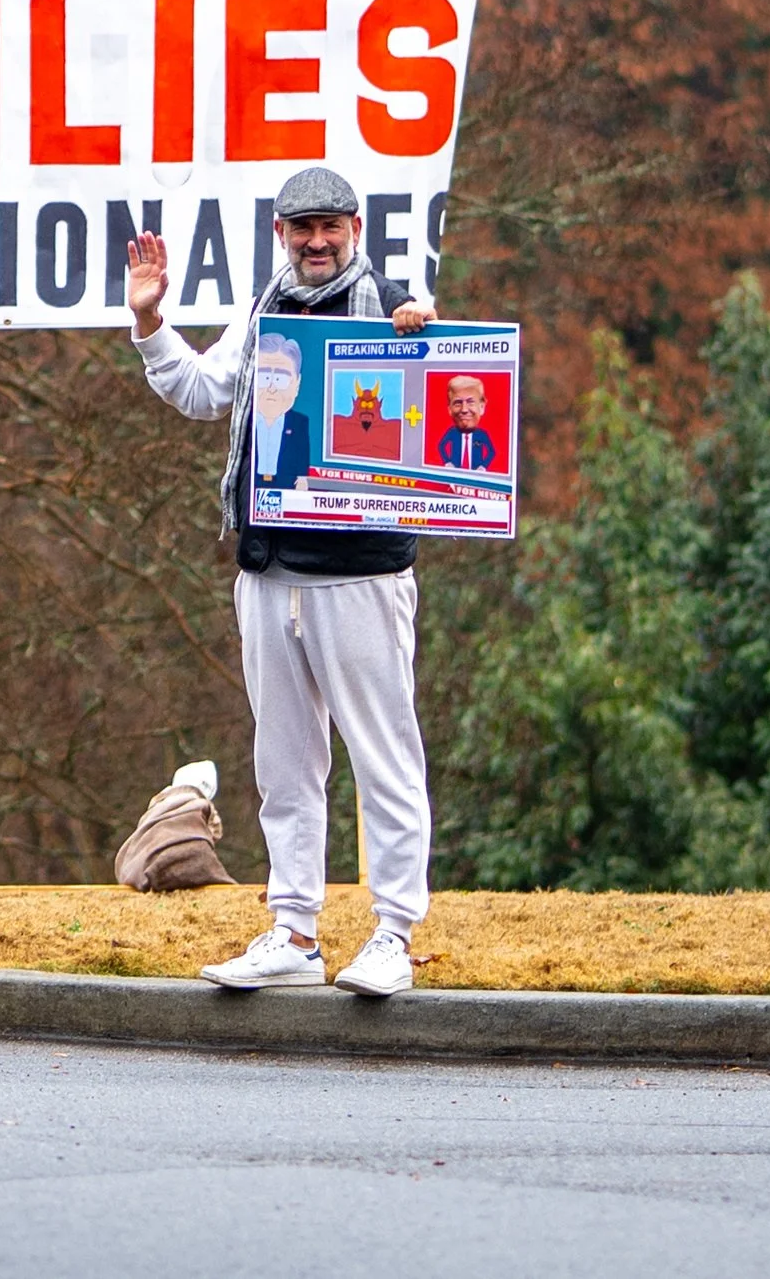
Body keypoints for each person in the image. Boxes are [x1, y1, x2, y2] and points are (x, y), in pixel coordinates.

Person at [124, 167, 436, 998]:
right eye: (303, 229)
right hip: (268, 570)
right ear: (280, 234)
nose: (318, 242)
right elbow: (199, 392)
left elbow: (438, 418)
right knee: (285, 763)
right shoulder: (263, 310)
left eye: (331, 226)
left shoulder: (399, 308)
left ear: (357, 228)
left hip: (362, 575)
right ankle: (294, 929)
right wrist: (152, 321)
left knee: (384, 756)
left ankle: (394, 933)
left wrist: (424, 344)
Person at [249, 333, 315, 491]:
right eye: (264, 377)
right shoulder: (246, 421)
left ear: (297, 384)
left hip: (286, 486)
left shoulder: (299, 423)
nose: (271, 388)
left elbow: (302, 452)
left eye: (280, 379)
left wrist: (302, 478)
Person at [434, 375, 497, 471]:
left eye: (471, 402)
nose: (464, 410)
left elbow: (492, 452)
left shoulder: (482, 434)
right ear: (450, 409)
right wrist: (447, 462)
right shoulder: (452, 432)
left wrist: (483, 466)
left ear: (482, 407)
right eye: (458, 403)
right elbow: (441, 446)